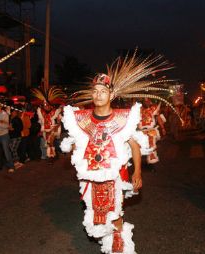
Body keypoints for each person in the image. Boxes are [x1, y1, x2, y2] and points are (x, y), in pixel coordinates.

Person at [61, 51, 179, 253]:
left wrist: (138, 172)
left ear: (111, 95)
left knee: (114, 214)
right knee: (97, 214)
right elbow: (76, 144)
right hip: (90, 177)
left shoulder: (123, 118)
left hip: (115, 175)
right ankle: (109, 244)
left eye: (103, 91)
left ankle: (119, 248)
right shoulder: (81, 118)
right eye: (95, 90)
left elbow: (134, 145)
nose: (98, 94)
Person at [138, 99, 166, 164]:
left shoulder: (153, 109)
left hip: (151, 131)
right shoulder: (138, 109)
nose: (147, 102)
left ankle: (151, 164)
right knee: (141, 147)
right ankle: (142, 163)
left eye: (148, 101)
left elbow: (158, 118)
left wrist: (163, 128)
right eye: (145, 101)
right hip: (141, 132)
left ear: (150, 102)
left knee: (151, 147)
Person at [0, 104, 14, 172]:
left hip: (4, 135)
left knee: (6, 151)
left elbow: (6, 125)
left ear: (0, 106)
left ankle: (11, 166)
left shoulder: (4, 114)